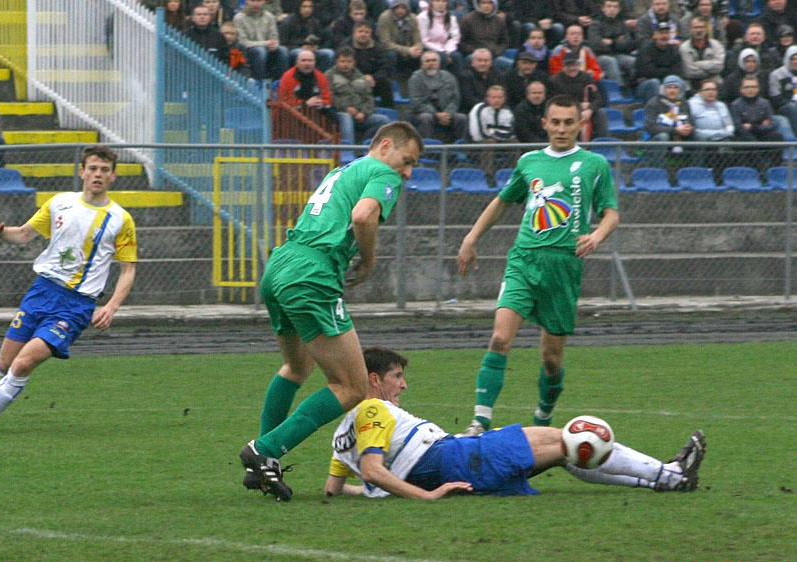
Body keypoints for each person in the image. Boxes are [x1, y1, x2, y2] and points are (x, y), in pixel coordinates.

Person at [237, 122, 423, 502]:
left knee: (297, 367)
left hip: (281, 265)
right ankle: (265, 449)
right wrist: (369, 260)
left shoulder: (344, 170)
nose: (407, 172)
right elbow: (362, 216)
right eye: (407, 161)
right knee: (353, 387)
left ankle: (264, 460)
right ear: (385, 145)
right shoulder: (382, 174)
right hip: (312, 274)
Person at [324, 346, 706, 498]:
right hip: (457, 458)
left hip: (455, 458)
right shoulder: (371, 410)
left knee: (562, 453)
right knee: (571, 439)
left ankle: (665, 478)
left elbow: (334, 490)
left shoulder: (344, 431)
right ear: (373, 380)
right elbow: (373, 471)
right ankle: (671, 476)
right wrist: (426, 494)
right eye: (395, 377)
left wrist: (387, 493)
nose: (403, 384)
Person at [455, 95, 620, 436]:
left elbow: (611, 213)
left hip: (564, 266)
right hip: (524, 259)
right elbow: (502, 202)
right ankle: (479, 422)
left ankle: (543, 419)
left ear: (579, 125)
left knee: (551, 359)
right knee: (500, 338)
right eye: (555, 122)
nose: (561, 129)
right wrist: (471, 238)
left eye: (568, 122)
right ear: (544, 123)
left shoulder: (594, 165)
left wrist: (597, 236)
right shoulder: (529, 162)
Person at [0, 146, 137, 434]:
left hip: (75, 305)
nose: (98, 174)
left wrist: (111, 307)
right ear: (82, 171)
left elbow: (127, 269)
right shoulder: (60, 203)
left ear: (113, 176)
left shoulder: (120, 219)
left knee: (23, 363)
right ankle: (0, 394)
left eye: (104, 170)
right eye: (93, 168)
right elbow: (23, 234)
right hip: (41, 291)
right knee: (5, 364)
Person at [326, 46, 391, 144]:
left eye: (348, 61)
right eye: (342, 61)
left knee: (383, 120)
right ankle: (348, 150)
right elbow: (330, 97)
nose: (345, 64)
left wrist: (363, 112)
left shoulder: (361, 77)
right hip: (338, 114)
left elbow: (369, 98)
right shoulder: (329, 76)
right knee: (346, 117)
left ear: (354, 62)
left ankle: (363, 145)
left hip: (360, 115)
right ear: (336, 61)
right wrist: (346, 108)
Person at [408, 50, 468, 140]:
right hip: (422, 114)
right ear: (422, 64)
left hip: (446, 113)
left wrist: (447, 113)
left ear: (439, 63)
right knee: (426, 118)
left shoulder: (449, 77)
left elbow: (455, 99)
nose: (431, 63)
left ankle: (460, 148)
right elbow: (417, 102)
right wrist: (436, 114)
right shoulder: (415, 78)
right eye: (427, 61)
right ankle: (426, 149)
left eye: (434, 60)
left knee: (462, 118)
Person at [548, 52, 609, 139]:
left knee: (601, 114)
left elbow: (598, 99)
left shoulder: (586, 77)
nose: (572, 68)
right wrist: (577, 106)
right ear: (563, 66)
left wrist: (590, 109)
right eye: (568, 65)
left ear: (578, 65)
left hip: (586, 112)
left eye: (574, 65)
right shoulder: (554, 81)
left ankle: (604, 143)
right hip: (565, 112)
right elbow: (554, 101)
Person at [730, 74, 785, 167]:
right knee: (749, 141)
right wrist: (761, 125)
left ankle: (775, 168)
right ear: (741, 90)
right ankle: (760, 170)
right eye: (747, 87)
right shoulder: (735, 105)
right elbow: (739, 127)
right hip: (746, 137)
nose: (750, 89)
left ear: (758, 89)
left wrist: (752, 127)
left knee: (776, 136)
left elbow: (771, 124)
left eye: (753, 87)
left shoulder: (765, 103)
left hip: (763, 134)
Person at [278, 49, 339, 127]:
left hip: (315, 112)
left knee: (331, 113)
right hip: (293, 115)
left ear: (315, 63)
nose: (307, 63)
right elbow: (284, 101)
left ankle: (334, 137)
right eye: (303, 60)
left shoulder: (321, 77)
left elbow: (327, 98)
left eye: (310, 61)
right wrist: (305, 103)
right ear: (297, 63)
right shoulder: (287, 77)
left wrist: (322, 103)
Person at [344, 20, 395, 108]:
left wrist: (373, 77)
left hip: (372, 82)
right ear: (354, 33)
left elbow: (384, 67)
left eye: (367, 32)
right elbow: (343, 66)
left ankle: (389, 111)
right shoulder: (346, 46)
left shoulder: (377, 47)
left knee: (386, 83)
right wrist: (361, 77)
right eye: (360, 31)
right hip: (352, 81)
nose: (363, 34)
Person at [234, 0, 289, 81]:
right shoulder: (239, 18)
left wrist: (275, 44)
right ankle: (259, 83)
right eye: (253, 1)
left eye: (259, 1)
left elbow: (274, 36)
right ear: (246, 1)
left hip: (267, 49)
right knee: (260, 51)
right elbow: (243, 42)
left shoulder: (269, 16)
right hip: (248, 51)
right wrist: (265, 43)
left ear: (264, 2)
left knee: (283, 50)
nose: (256, 4)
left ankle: (279, 84)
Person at [643, 74, 694, 163]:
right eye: (669, 87)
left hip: (680, 138)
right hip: (656, 139)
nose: (672, 90)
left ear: (680, 90)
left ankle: (697, 168)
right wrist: (675, 130)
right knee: (663, 136)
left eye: (675, 88)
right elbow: (651, 127)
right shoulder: (653, 103)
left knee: (699, 136)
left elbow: (691, 122)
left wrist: (689, 129)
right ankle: (659, 169)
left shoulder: (684, 103)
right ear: (664, 89)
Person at [588, 0, 638, 89]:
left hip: (619, 55)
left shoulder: (622, 24)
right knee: (610, 61)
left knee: (633, 61)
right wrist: (618, 42)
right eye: (609, 6)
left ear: (618, 9)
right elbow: (596, 45)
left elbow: (629, 44)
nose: (612, 9)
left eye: (615, 7)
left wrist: (612, 42)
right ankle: (619, 89)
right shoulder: (595, 24)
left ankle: (634, 87)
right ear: (603, 8)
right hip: (600, 56)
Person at [633, 21, 685, 100]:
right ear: (655, 35)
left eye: (667, 33)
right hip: (643, 86)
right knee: (654, 82)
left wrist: (660, 72)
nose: (664, 36)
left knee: (680, 82)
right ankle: (654, 109)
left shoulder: (674, 50)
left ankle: (679, 109)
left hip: (665, 83)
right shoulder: (646, 49)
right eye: (661, 33)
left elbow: (678, 71)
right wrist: (668, 71)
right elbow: (648, 72)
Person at [278, 0, 335, 71]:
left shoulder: (315, 22)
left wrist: (317, 47)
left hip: (311, 50)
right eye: (304, 7)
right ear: (299, 8)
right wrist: (302, 47)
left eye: (310, 7)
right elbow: (283, 44)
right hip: (294, 50)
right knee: (300, 53)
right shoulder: (288, 22)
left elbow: (321, 39)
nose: (307, 9)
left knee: (329, 53)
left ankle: (320, 78)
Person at [377, 0, 424, 83]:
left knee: (421, 54)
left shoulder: (412, 18)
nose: (400, 10)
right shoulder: (384, 17)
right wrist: (407, 50)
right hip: (392, 50)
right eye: (397, 7)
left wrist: (417, 49)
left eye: (403, 7)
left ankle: (417, 81)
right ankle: (392, 81)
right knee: (391, 55)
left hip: (409, 49)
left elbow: (417, 39)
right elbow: (385, 43)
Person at [417, 0, 465, 79]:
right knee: (442, 57)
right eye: (437, 1)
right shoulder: (423, 17)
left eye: (443, 1)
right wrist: (442, 51)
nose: (440, 4)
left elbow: (455, 37)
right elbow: (424, 40)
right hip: (429, 48)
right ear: (432, 3)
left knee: (457, 56)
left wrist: (448, 50)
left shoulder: (451, 17)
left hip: (446, 48)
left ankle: (458, 84)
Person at [457, 0, 510, 70]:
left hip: (494, 55)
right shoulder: (467, 19)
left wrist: (496, 52)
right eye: (483, 3)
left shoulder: (499, 21)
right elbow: (460, 42)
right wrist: (476, 52)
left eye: (490, 3)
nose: (486, 6)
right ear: (478, 4)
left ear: (494, 5)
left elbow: (505, 42)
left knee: (510, 64)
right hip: (473, 54)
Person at [679, 16, 725, 89]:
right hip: (692, 83)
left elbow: (719, 67)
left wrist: (697, 64)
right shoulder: (684, 47)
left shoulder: (716, 45)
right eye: (696, 27)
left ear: (706, 30)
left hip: (714, 82)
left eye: (702, 27)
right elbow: (689, 71)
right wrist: (710, 68)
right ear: (690, 30)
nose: (699, 30)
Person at [458, 47, 503, 113]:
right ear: (473, 62)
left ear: (491, 62)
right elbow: (468, 99)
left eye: (486, 61)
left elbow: (502, 94)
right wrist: (488, 106)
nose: (483, 63)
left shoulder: (498, 74)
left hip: (496, 108)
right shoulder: (465, 76)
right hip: (472, 110)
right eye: (479, 60)